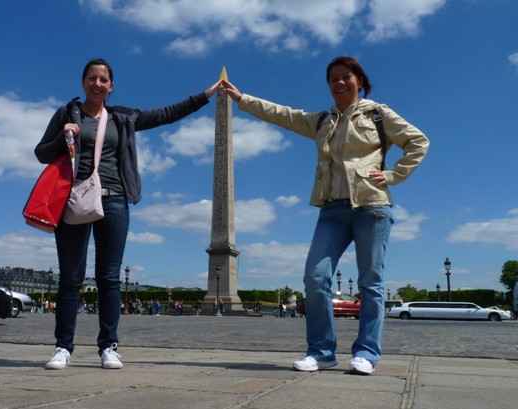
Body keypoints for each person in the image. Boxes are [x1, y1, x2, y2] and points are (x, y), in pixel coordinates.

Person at [222, 56, 429, 375]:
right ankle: (321, 351)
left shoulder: (378, 114)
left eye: (346, 77)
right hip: (332, 208)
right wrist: (241, 99)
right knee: (315, 276)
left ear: (359, 80)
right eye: (333, 79)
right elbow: (282, 115)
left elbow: (417, 141)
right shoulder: (322, 121)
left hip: (371, 206)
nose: (340, 83)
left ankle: (366, 353)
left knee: (370, 282)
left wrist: (392, 175)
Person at [35, 58, 221, 370]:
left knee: (109, 278)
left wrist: (204, 96)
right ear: (83, 83)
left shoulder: (123, 117)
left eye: (103, 79)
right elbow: (41, 153)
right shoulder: (67, 114)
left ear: (111, 86)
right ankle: (63, 347)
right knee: (71, 278)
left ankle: (109, 345)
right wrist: (61, 137)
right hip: (74, 199)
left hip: (114, 200)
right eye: (92, 78)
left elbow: (166, 115)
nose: (97, 84)